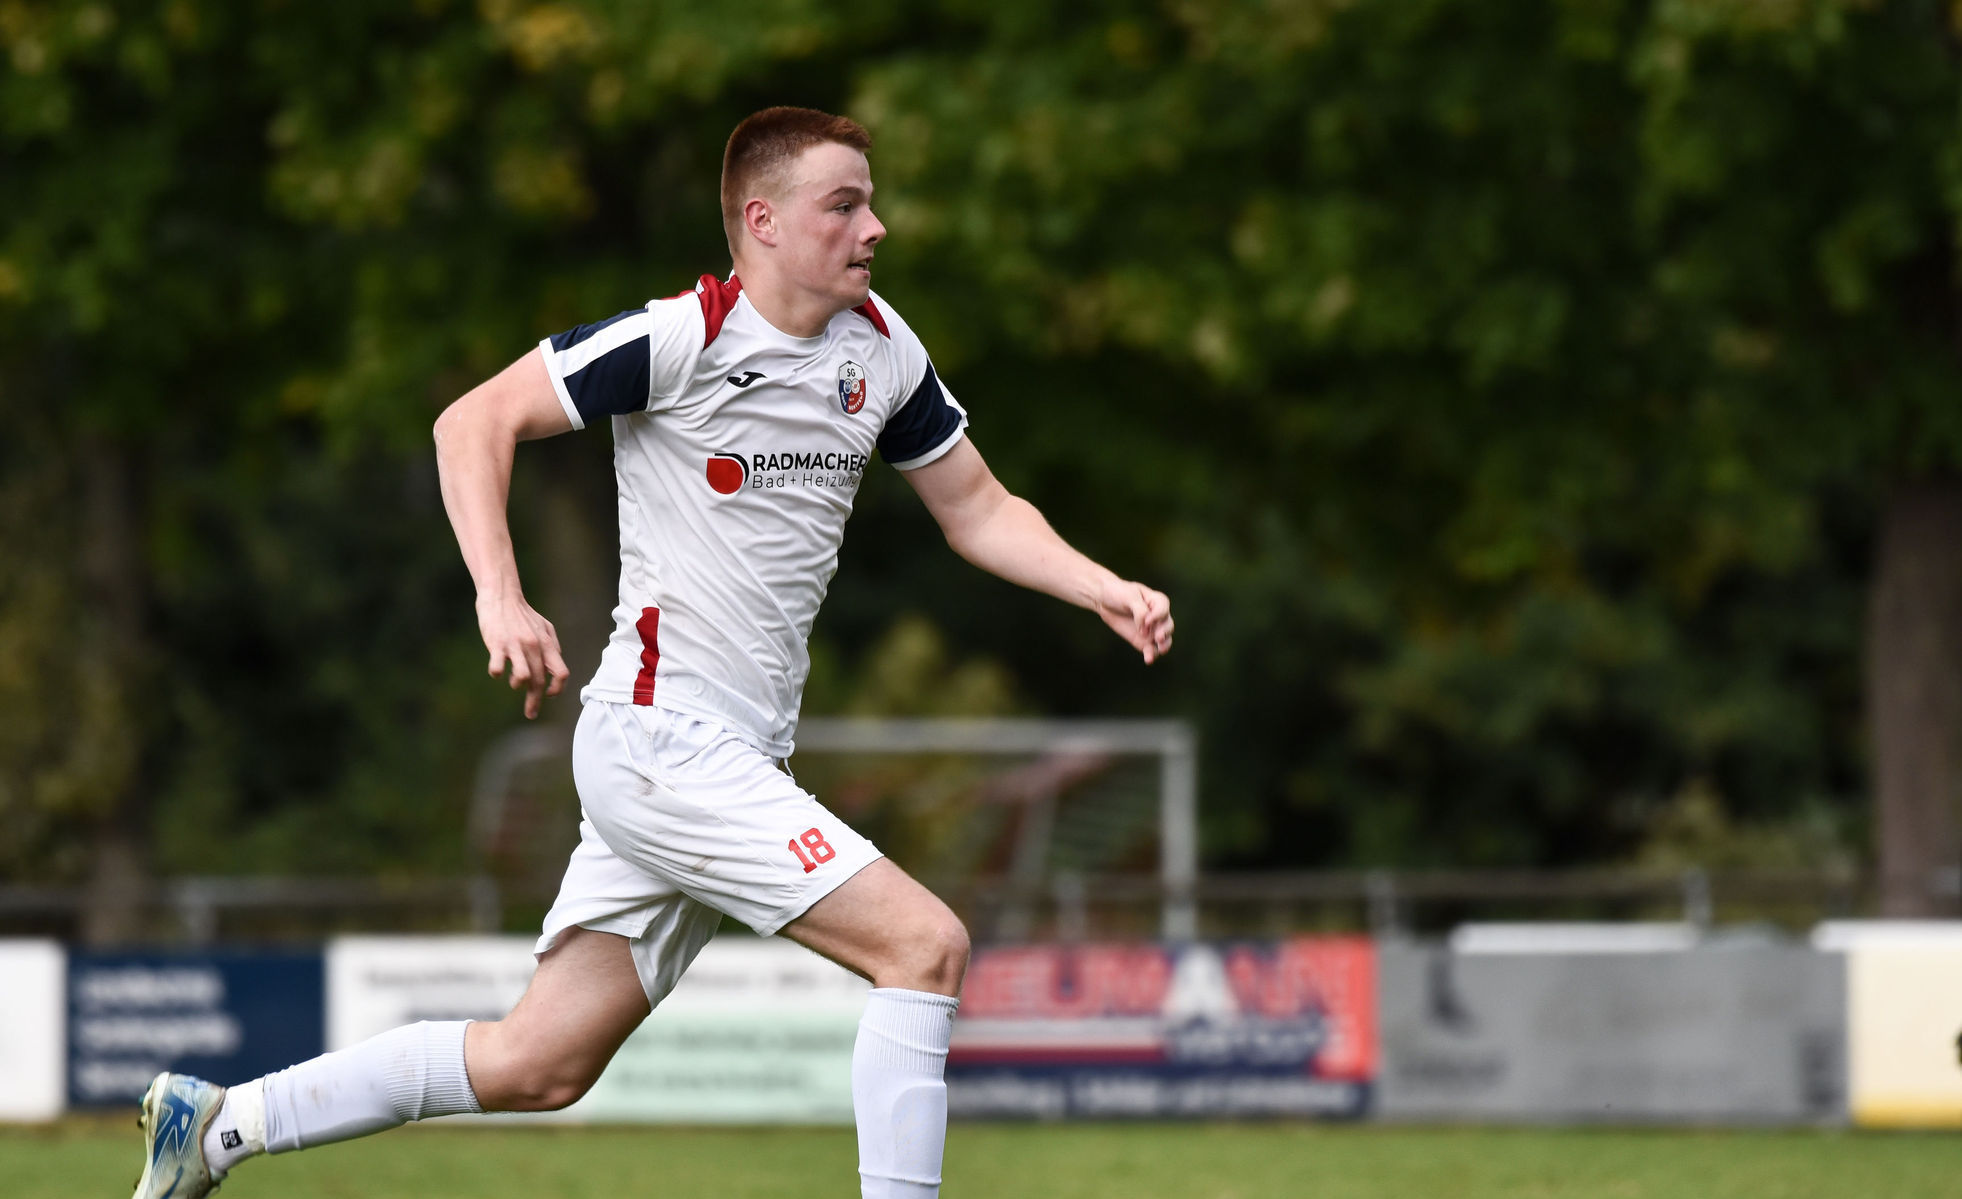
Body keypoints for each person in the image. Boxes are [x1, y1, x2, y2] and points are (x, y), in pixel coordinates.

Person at [131, 105, 1173, 1199]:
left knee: (540, 1061)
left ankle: (220, 1124)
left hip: (725, 759)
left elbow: (979, 508)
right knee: (925, 945)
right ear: (761, 221)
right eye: (845, 204)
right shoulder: (681, 337)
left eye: (870, 201)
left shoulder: (881, 347)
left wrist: (1101, 585)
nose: (876, 227)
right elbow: (468, 424)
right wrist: (502, 595)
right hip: (661, 743)